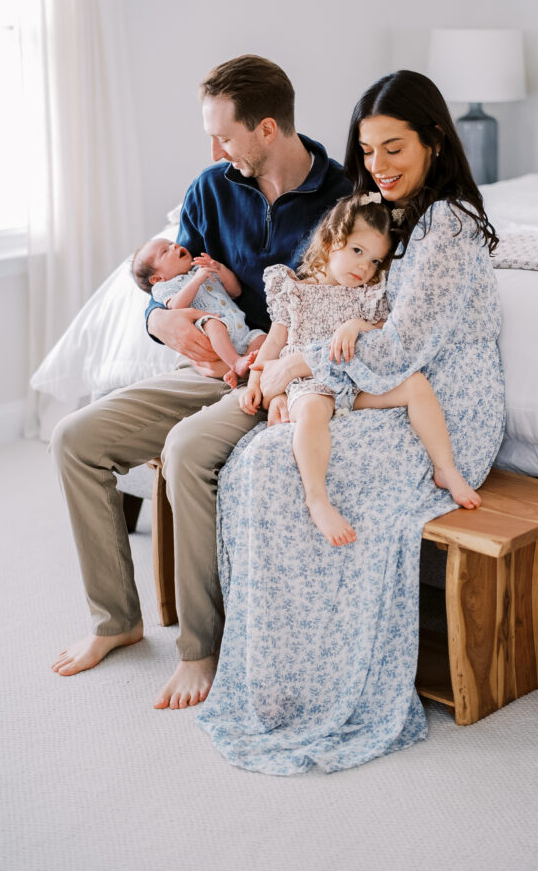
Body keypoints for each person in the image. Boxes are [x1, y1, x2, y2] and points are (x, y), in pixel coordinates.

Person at [196, 70, 505, 774]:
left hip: (442, 407)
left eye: (394, 148)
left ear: (433, 141)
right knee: (266, 457)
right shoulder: (395, 216)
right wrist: (305, 370)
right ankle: (278, 679)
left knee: (281, 463)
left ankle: (322, 684)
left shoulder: (448, 226)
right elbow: (357, 321)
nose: (379, 165)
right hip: (384, 385)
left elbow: (400, 348)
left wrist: (299, 367)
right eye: (367, 151)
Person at [50, 55, 351, 709]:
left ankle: (200, 648)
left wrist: (272, 366)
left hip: (283, 379)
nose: (215, 152)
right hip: (212, 368)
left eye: (224, 136)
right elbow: (167, 287)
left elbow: (343, 306)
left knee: (186, 449)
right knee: (75, 438)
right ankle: (116, 620)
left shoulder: (343, 198)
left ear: (266, 128)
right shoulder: (210, 190)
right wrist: (159, 322)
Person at [240, 193, 481, 547]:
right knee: (312, 411)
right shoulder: (293, 291)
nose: (364, 267)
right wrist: (256, 384)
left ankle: (445, 467)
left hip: (354, 383)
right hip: (309, 383)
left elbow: (386, 329)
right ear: (331, 241)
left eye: (374, 260)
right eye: (357, 251)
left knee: (415, 385)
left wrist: (355, 325)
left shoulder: (367, 294)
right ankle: (317, 499)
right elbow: (273, 344)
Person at [132, 238, 266, 387]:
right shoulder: (165, 287)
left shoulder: (202, 269)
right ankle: (235, 362)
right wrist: (196, 281)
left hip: (242, 332)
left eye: (171, 243)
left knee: (261, 337)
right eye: (165, 251)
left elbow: (236, 291)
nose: (175, 246)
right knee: (213, 324)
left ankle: (238, 370)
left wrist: (220, 269)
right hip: (210, 331)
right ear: (157, 278)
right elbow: (175, 307)